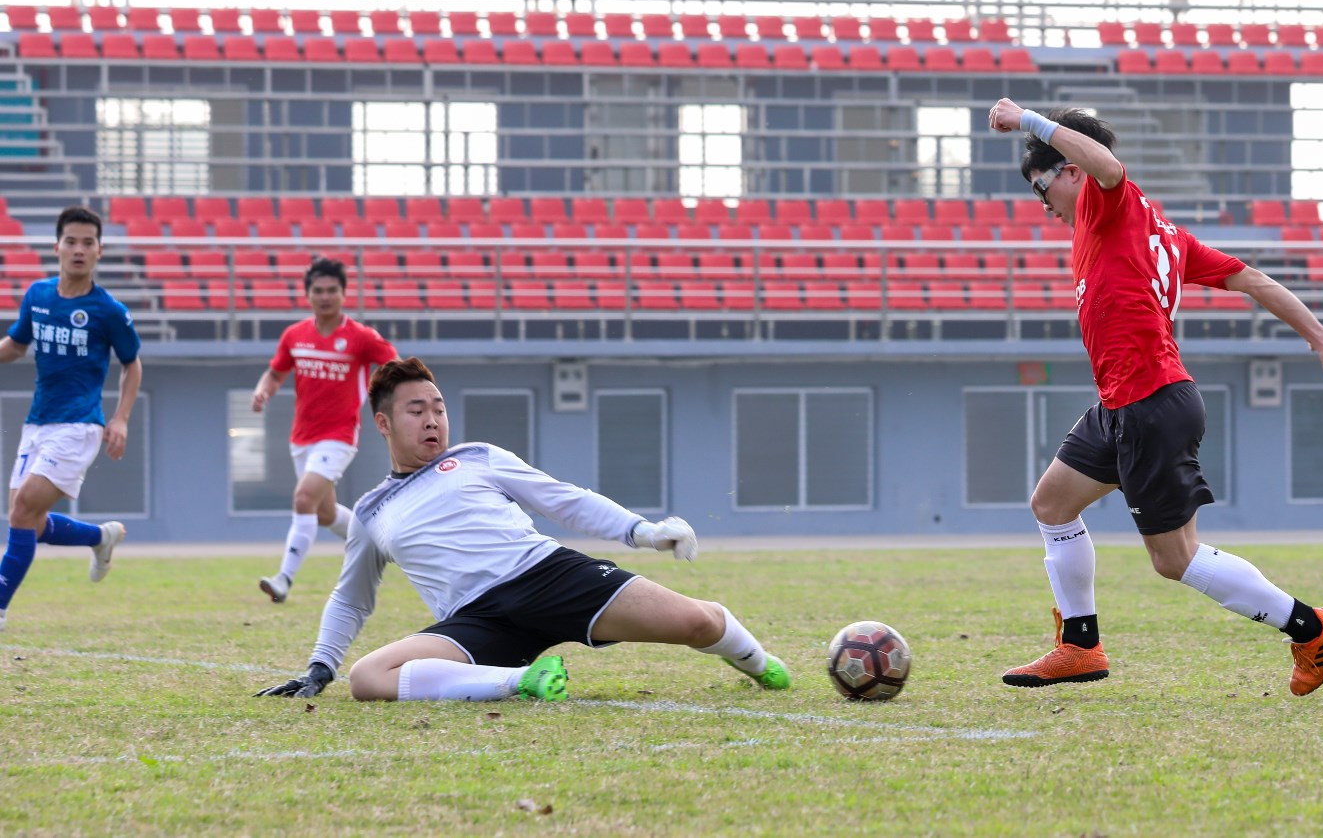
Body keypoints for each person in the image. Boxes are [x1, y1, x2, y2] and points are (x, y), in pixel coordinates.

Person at [986, 100, 1323, 697]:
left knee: (1175, 559)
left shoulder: (1109, 201)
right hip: (1122, 404)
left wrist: (1030, 120)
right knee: (1052, 504)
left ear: (1071, 171)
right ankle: (1080, 646)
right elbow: (1252, 278)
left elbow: (1110, 168)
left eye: (1041, 188)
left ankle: (1313, 627)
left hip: (1151, 402)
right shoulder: (1163, 234)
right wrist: (1321, 336)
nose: (1043, 204)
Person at [255, 356, 789, 702]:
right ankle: (523, 681)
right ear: (383, 423)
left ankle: (757, 662)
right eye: (416, 411)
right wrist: (320, 667)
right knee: (368, 679)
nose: (432, 420)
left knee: (698, 622)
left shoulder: (477, 457)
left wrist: (642, 532)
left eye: (438, 408)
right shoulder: (372, 512)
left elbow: (563, 500)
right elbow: (351, 599)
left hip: (548, 577)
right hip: (476, 621)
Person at [0, 206, 141, 633]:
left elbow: (131, 364)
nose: (79, 250)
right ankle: (100, 538)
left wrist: (120, 418)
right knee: (28, 520)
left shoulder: (108, 311)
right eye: (71, 241)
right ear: (57, 246)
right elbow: (16, 345)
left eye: (88, 243)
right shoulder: (38, 295)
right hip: (38, 423)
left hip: (80, 425)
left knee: (22, 509)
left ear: (100, 251)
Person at [253, 257, 397, 603]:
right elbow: (275, 373)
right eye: (318, 290)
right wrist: (263, 391)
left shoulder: (361, 337)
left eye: (332, 290)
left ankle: (284, 579)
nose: (325, 297)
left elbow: (394, 365)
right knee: (325, 513)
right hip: (302, 438)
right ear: (308, 295)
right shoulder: (295, 335)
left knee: (303, 498)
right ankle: (381, 543)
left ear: (344, 294)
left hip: (339, 436)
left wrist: (398, 405)